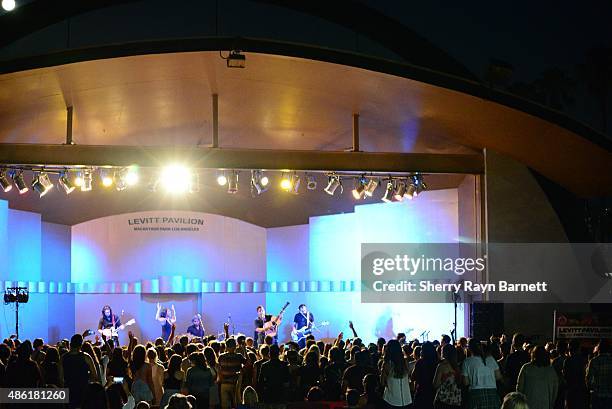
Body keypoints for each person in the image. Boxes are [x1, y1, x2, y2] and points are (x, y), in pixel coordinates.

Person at [59, 334, 99, 409]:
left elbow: (61, 378)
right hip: (83, 391)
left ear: (71, 344)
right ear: (81, 345)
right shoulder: (86, 357)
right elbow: (95, 376)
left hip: (69, 390)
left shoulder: (63, 358)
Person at [461, 339, 502, 409]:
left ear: (470, 349)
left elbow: (466, 382)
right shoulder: (491, 359)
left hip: (475, 395)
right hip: (492, 394)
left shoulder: (467, 362)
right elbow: (498, 376)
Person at [381, 339, 413, 408]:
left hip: (391, 400)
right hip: (406, 399)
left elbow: (382, 382)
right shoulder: (405, 362)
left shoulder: (387, 364)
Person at [218, 337, 246, 409]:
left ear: (226, 347)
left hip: (224, 384)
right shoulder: (239, 356)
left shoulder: (221, 357)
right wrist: (244, 349)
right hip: (235, 384)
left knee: (225, 406)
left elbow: (219, 370)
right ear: (235, 346)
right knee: (236, 405)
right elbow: (248, 363)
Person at [433, 344, 462, 409]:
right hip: (456, 401)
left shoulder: (442, 366)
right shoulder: (458, 366)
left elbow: (435, 384)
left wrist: (443, 379)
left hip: (443, 400)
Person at [586, 339, 612, 409]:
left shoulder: (593, 361)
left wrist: (592, 389)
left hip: (597, 396)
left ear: (599, 349)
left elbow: (588, 379)